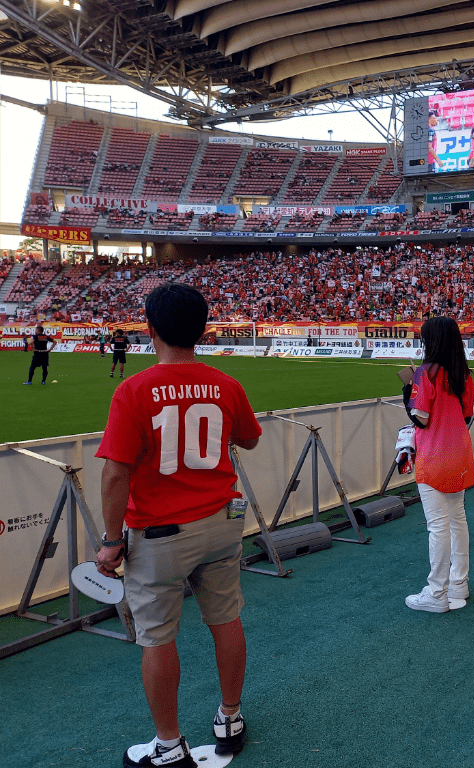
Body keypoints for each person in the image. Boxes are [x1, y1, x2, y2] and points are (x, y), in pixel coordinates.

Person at [94, 283, 262, 768]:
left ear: (150, 329)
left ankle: (168, 745)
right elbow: (249, 440)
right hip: (221, 521)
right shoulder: (226, 384)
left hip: (160, 534)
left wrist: (110, 543)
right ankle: (229, 719)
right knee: (226, 619)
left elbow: (115, 472)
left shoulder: (133, 390)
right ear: (203, 329)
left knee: (157, 636)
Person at [403, 316, 474, 612]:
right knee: (457, 518)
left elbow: (421, 417)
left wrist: (407, 393)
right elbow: (467, 415)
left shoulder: (426, 373)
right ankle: (459, 583)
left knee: (438, 525)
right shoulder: (464, 374)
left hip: (433, 455)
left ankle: (436, 593)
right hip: (459, 452)